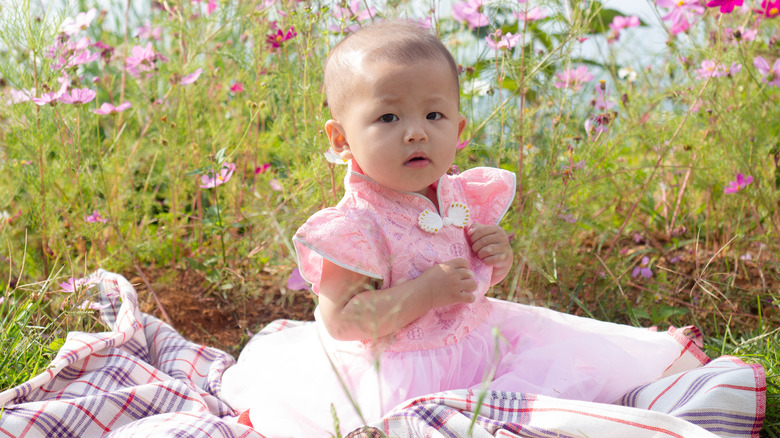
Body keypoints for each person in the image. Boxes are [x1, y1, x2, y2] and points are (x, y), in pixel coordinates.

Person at [220, 20, 707, 437]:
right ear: (341, 138)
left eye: (434, 115)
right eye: (388, 117)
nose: (416, 131)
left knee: (573, 381)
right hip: (401, 371)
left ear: (459, 128)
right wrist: (424, 292)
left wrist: (494, 259)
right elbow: (343, 321)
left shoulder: (460, 195)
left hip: (480, 343)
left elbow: (468, 282)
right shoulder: (355, 227)